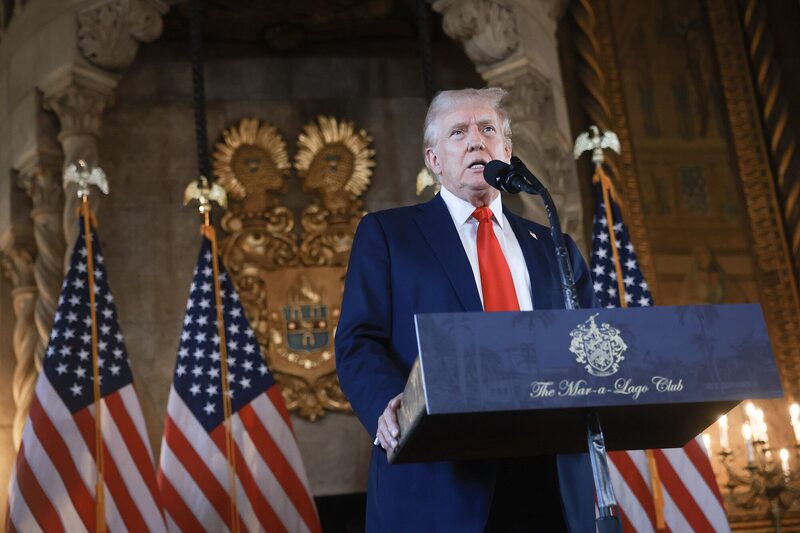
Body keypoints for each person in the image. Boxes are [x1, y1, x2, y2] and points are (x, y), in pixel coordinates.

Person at [335, 88, 596, 532]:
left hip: (550, 475)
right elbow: (359, 340)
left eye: (487, 129)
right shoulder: (389, 235)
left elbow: (589, 340)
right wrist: (389, 404)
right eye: (458, 132)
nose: (476, 140)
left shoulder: (554, 246)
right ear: (434, 160)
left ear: (507, 152)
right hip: (441, 476)